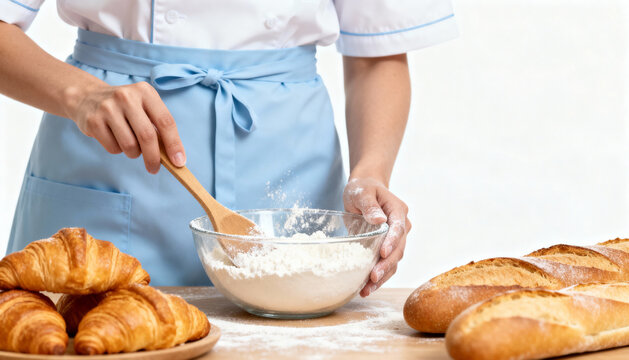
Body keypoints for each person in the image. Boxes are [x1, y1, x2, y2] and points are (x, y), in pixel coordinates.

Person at [0, 0, 457, 296]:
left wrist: (371, 172)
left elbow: (378, 50)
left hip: (289, 177)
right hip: (114, 150)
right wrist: (80, 94)